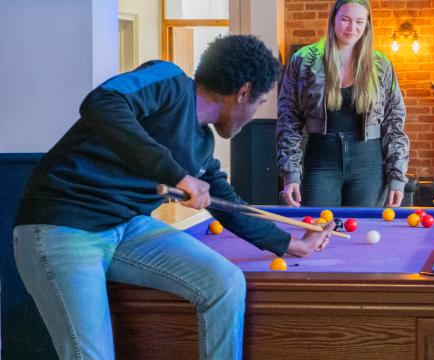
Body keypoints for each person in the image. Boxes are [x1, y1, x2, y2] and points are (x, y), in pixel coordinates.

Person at [13, 35, 334, 360]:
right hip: (61, 226)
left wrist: (290, 243)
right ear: (244, 93)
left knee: (225, 282)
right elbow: (102, 103)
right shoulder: (168, 80)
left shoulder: (200, 145)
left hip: (126, 228)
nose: (252, 114)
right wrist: (178, 176)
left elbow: (230, 207)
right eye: (258, 103)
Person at [277, 0, 410, 208]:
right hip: (320, 162)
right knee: (317, 228)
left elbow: (394, 123)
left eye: (359, 22)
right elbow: (289, 119)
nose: (352, 28)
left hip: (369, 165)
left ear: (368, 24)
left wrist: (397, 177)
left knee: (362, 232)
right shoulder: (303, 61)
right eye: (346, 20)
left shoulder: (381, 65)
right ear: (333, 20)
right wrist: (290, 174)